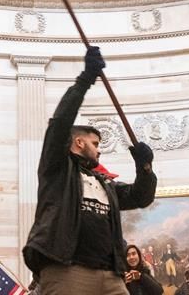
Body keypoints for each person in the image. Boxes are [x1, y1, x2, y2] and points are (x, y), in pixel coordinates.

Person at [22, 47, 157, 295]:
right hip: (67, 270)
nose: (99, 150)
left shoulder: (104, 183)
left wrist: (145, 168)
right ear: (78, 142)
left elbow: (141, 197)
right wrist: (85, 80)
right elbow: (60, 123)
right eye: (95, 144)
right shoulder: (57, 170)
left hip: (110, 274)